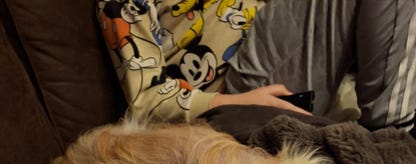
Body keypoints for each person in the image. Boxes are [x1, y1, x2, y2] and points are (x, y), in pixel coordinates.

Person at [96, 0, 416, 131]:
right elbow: (146, 100)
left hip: (284, 59)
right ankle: (395, 134)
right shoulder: (121, 4)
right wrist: (238, 103)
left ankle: (392, 128)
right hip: (234, 99)